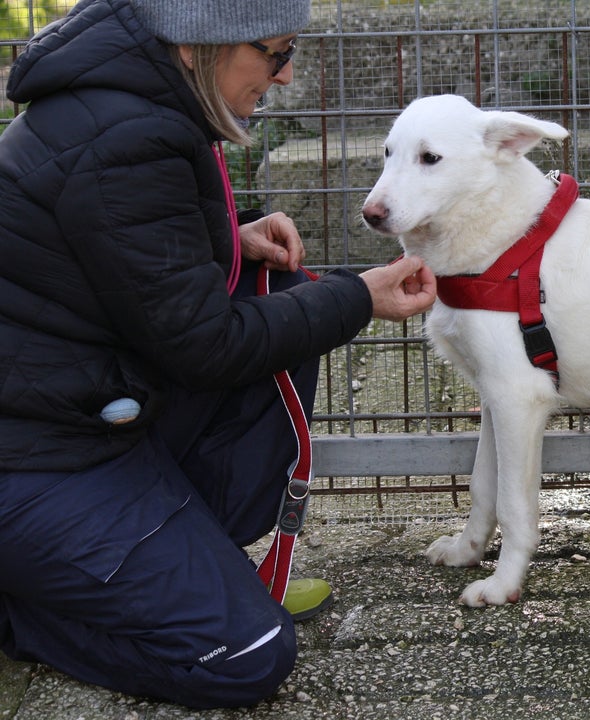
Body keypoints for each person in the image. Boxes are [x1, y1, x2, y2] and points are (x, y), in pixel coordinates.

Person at [0, 0, 435, 709]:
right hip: (36, 459)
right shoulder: (126, 135)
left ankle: (177, 562)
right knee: (247, 653)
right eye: (276, 51)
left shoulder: (128, 105)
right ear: (200, 44)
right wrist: (360, 298)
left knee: (285, 292)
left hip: (82, 411)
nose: (287, 75)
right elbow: (206, 348)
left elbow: (113, 246)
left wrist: (228, 236)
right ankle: (23, 610)